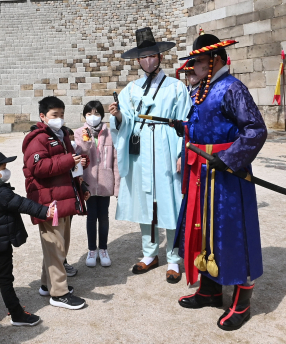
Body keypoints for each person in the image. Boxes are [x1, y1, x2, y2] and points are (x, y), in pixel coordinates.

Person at [174, 32, 267, 331]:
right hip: (201, 171)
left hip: (227, 174)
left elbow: (255, 130)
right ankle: (210, 290)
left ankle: (242, 301)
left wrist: (228, 159)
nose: (194, 66)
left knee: (231, 230)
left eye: (198, 61)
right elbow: (204, 123)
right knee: (204, 229)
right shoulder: (202, 89)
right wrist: (185, 128)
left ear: (214, 61)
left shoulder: (232, 88)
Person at [108, 27, 191, 283]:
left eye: (152, 56)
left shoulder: (176, 87)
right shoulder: (131, 89)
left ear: (160, 57)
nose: (148, 61)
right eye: (143, 57)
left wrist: (181, 154)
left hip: (166, 145)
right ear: (137, 61)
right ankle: (149, 253)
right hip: (141, 149)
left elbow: (185, 121)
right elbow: (125, 119)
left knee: (170, 201)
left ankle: (175, 259)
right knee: (146, 203)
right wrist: (118, 116)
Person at [0, 151, 55, 326]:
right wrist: (45, 211)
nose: (6, 171)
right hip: (0, 242)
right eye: (3, 168)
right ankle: (17, 314)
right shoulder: (1, 193)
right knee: (5, 278)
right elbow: (22, 203)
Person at [22, 96, 90, 310]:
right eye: (54, 115)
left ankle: (46, 284)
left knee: (58, 246)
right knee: (55, 245)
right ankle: (58, 293)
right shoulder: (37, 138)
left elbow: (66, 168)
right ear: (42, 116)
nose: (59, 119)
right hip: (48, 201)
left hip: (63, 196)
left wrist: (81, 180)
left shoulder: (61, 136)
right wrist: (70, 160)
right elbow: (38, 167)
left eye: (61, 114)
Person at [74, 100, 120, 267]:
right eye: (89, 113)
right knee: (91, 217)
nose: (93, 117)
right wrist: (86, 139)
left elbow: (115, 160)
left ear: (102, 115)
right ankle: (92, 250)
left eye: (97, 113)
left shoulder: (109, 132)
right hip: (88, 182)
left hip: (105, 183)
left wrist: (117, 187)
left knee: (104, 217)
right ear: (84, 115)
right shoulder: (79, 132)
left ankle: (103, 249)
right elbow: (80, 153)